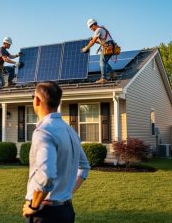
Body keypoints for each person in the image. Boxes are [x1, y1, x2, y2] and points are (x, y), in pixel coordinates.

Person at [22, 81, 90, 223]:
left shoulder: (43, 132)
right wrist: (65, 194)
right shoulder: (70, 130)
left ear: (37, 100)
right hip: (66, 211)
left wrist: (34, 206)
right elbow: (84, 167)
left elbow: (46, 175)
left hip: (46, 214)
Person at [81, 18, 117, 84]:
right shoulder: (102, 29)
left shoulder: (98, 30)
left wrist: (86, 48)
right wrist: (94, 40)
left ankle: (103, 78)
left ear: (93, 25)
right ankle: (113, 74)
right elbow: (100, 42)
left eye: (90, 27)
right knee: (104, 62)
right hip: (111, 46)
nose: (91, 29)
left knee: (102, 61)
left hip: (108, 47)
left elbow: (93, 41)